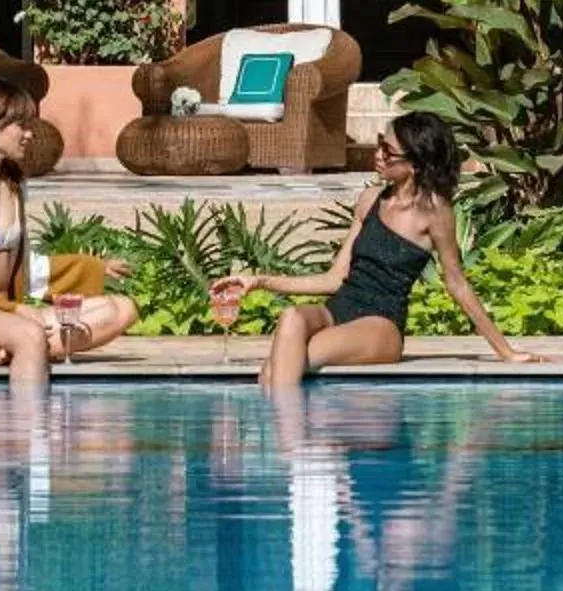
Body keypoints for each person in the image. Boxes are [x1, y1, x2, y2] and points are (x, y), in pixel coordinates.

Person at [214, 113, 539, 387]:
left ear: (414, 164)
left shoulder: (434, 212)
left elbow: (456, 283)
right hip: (337, 311)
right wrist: (258, 281)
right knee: (291, 318)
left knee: (281, 363)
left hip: (379, 325)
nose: (378, 155)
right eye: (380, 145)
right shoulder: (370, 201)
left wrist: (505, 352)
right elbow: (333, 279)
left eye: (388, 150)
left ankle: (289, 445)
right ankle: (293, 445)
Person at [0, 76, 135, 389]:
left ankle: (7, 349)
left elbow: (25, 269)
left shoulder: (13, 184)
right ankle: (26, 429)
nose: (29, 134)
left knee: (121, 309)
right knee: (28, 333)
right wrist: (16, 311)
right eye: (20, 125)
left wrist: (93, 268)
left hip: (9, 316)